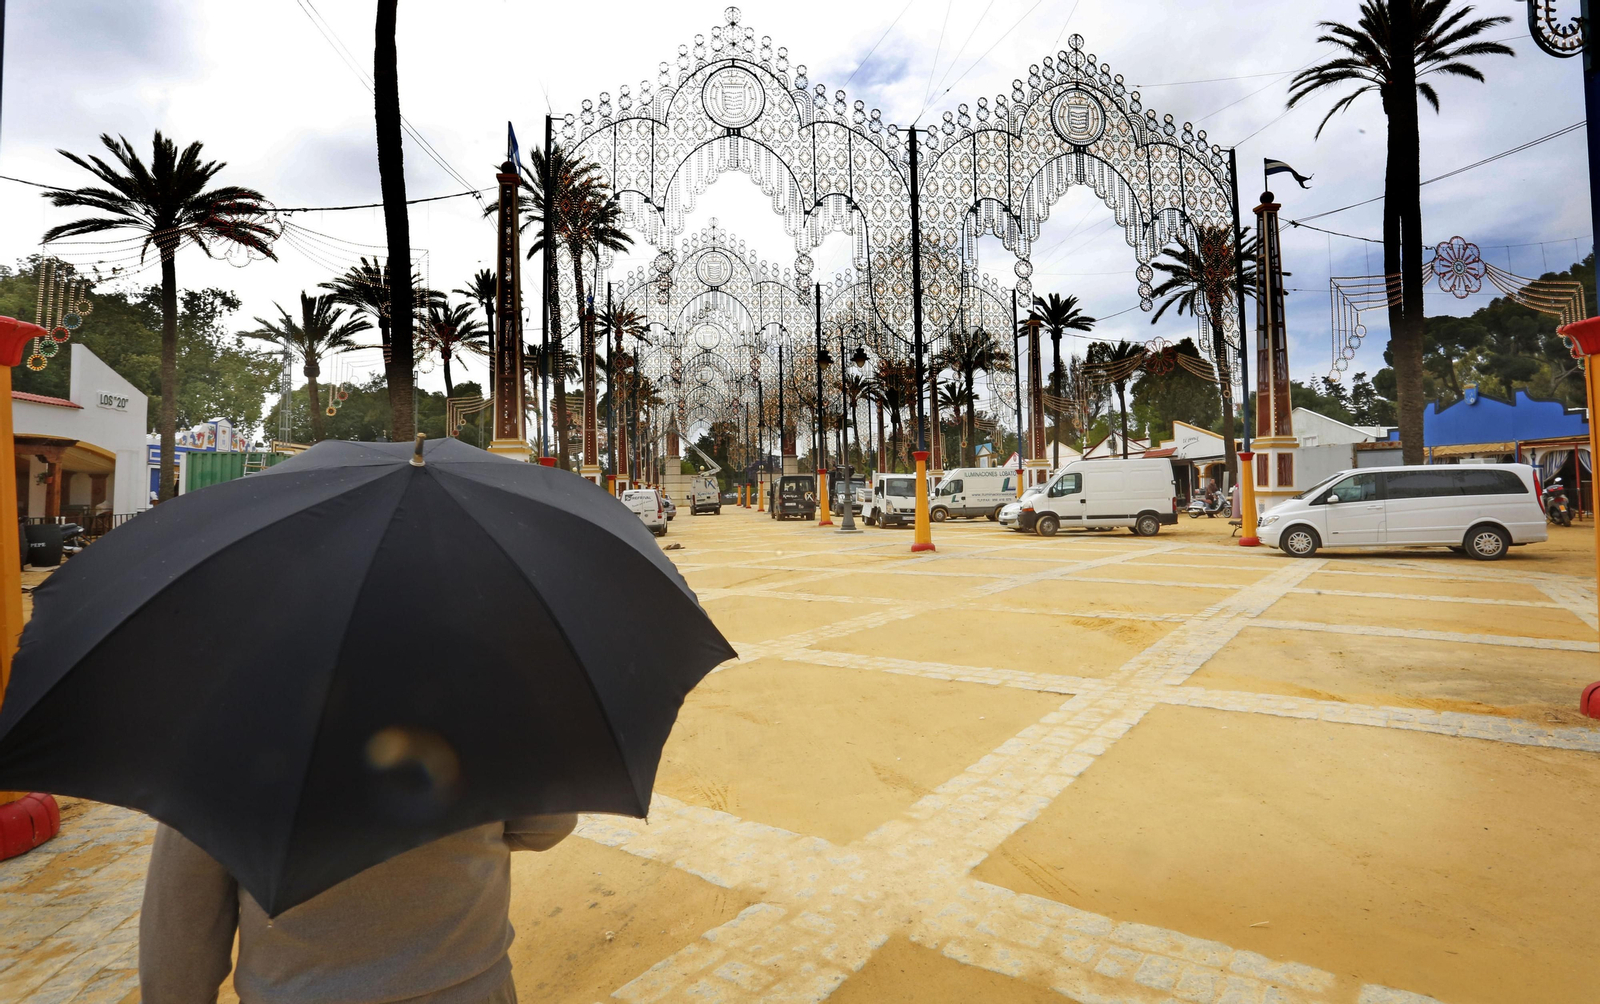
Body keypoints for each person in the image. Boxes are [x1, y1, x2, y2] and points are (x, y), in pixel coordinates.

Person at [139, 813, 578, 1004]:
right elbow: (548, 826)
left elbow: (178, 945)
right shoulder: (476, 709)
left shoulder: (223, 747)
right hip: (470, 991)